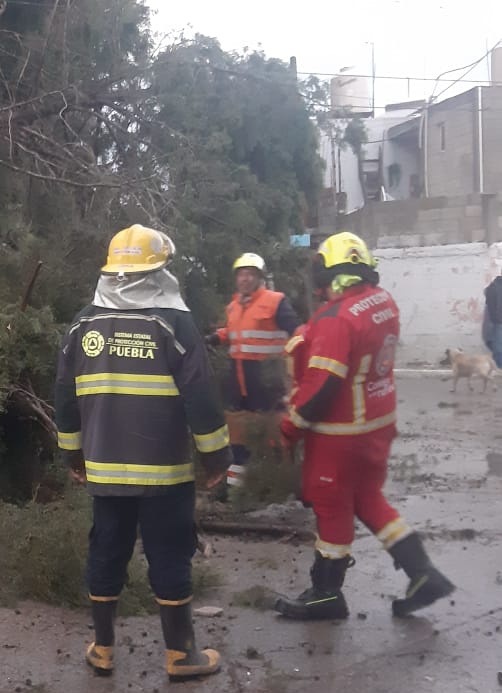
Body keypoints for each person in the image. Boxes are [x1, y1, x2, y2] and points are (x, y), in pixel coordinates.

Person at [54, 224, 232, 681]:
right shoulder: (174, 323)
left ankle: (103, 651)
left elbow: (65, 396)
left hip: (106, 471)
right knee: (170, 554)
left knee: (107, 551)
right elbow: (200, 396)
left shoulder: (82, 323)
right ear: (159, 270)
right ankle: (181, 656)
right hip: (165, 474)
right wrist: (217, 457)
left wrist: (72, 455)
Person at [275, 231, 455, 620]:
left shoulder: (335, 320)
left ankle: (326, 594)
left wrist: (290, 427)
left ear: (330, 274)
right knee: (369, 499)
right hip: (377, 424)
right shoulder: (383, 302)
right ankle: (423, 574)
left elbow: (321, 388)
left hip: (342, 435)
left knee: (332, 506)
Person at [205, 253, 301, 497]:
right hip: (239, 382)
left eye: (250, 274)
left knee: (276, 433)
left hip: (267, 381)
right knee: (236, 434)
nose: (245, 279)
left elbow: (297, 332)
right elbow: (237, 332)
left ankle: (287, 483)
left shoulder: (275, 301)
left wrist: (300, 360)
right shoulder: (235, 304)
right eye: (241, 274)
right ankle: (236, 489)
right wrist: (217, 337)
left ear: (259, 277)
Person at [483, 272, 502, 367]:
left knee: (498, 349)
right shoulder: (494, 287)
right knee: (498, 349)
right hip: (498, 323)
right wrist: (497, 320)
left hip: (497, 322)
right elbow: (491, 308)